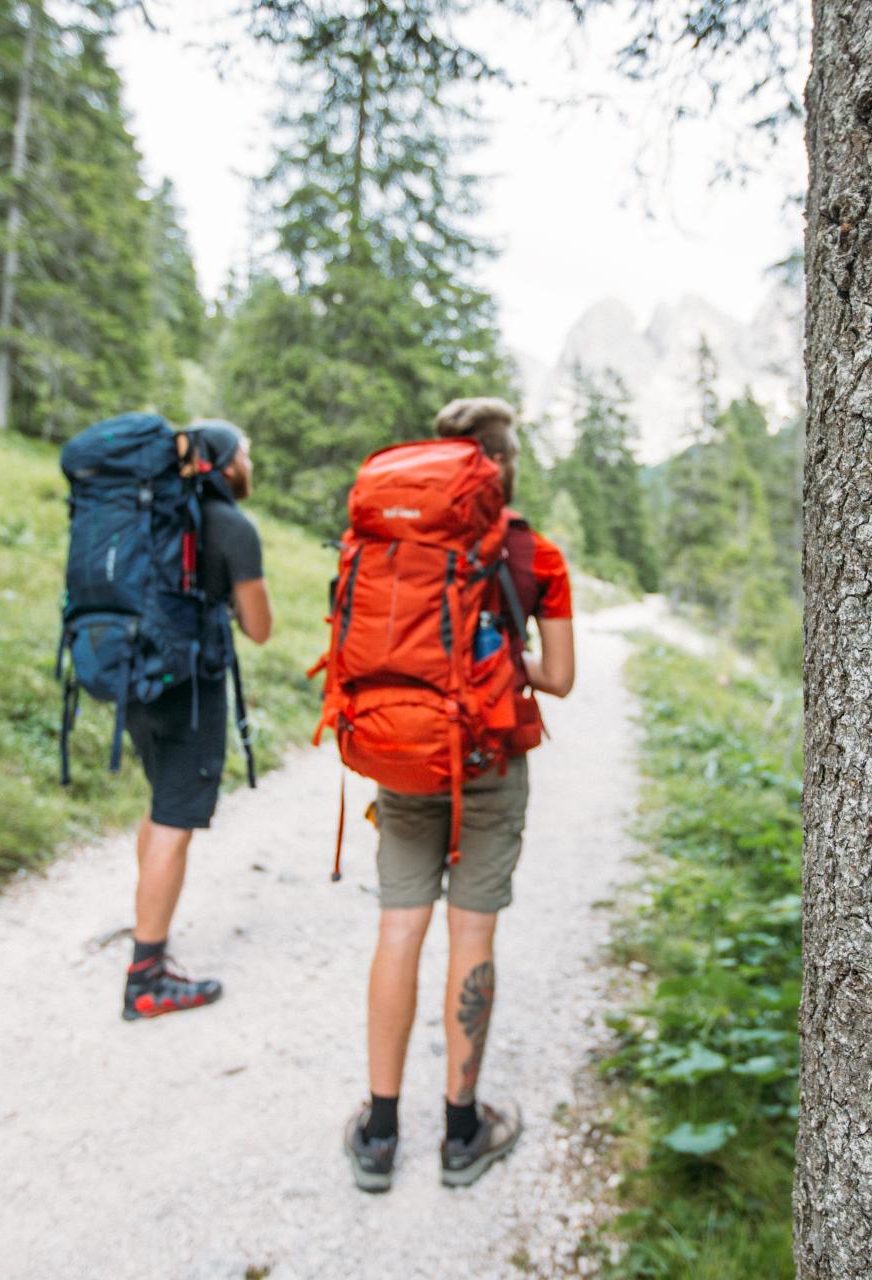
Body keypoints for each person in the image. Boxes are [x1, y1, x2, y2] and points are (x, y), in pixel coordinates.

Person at [344, 398, 577, 1191]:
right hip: (488, 761)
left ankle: (379, 1134)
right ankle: (460, 1131)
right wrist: (502, 662)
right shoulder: (534, 552)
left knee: (398, 929)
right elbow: (560, 678)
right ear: (503, 463)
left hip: (402, 752)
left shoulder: (387, 539)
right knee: (471, 935)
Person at [121, 422, 272, 1021]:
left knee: (161, 802)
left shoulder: (147, 511)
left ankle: (148, 926)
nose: (250, 461)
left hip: (134, 679)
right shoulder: (232, 526)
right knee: (175, 819)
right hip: (190, 690)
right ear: (227, 463)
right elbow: (260, 628)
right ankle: (146, 977)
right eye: (246, 452)